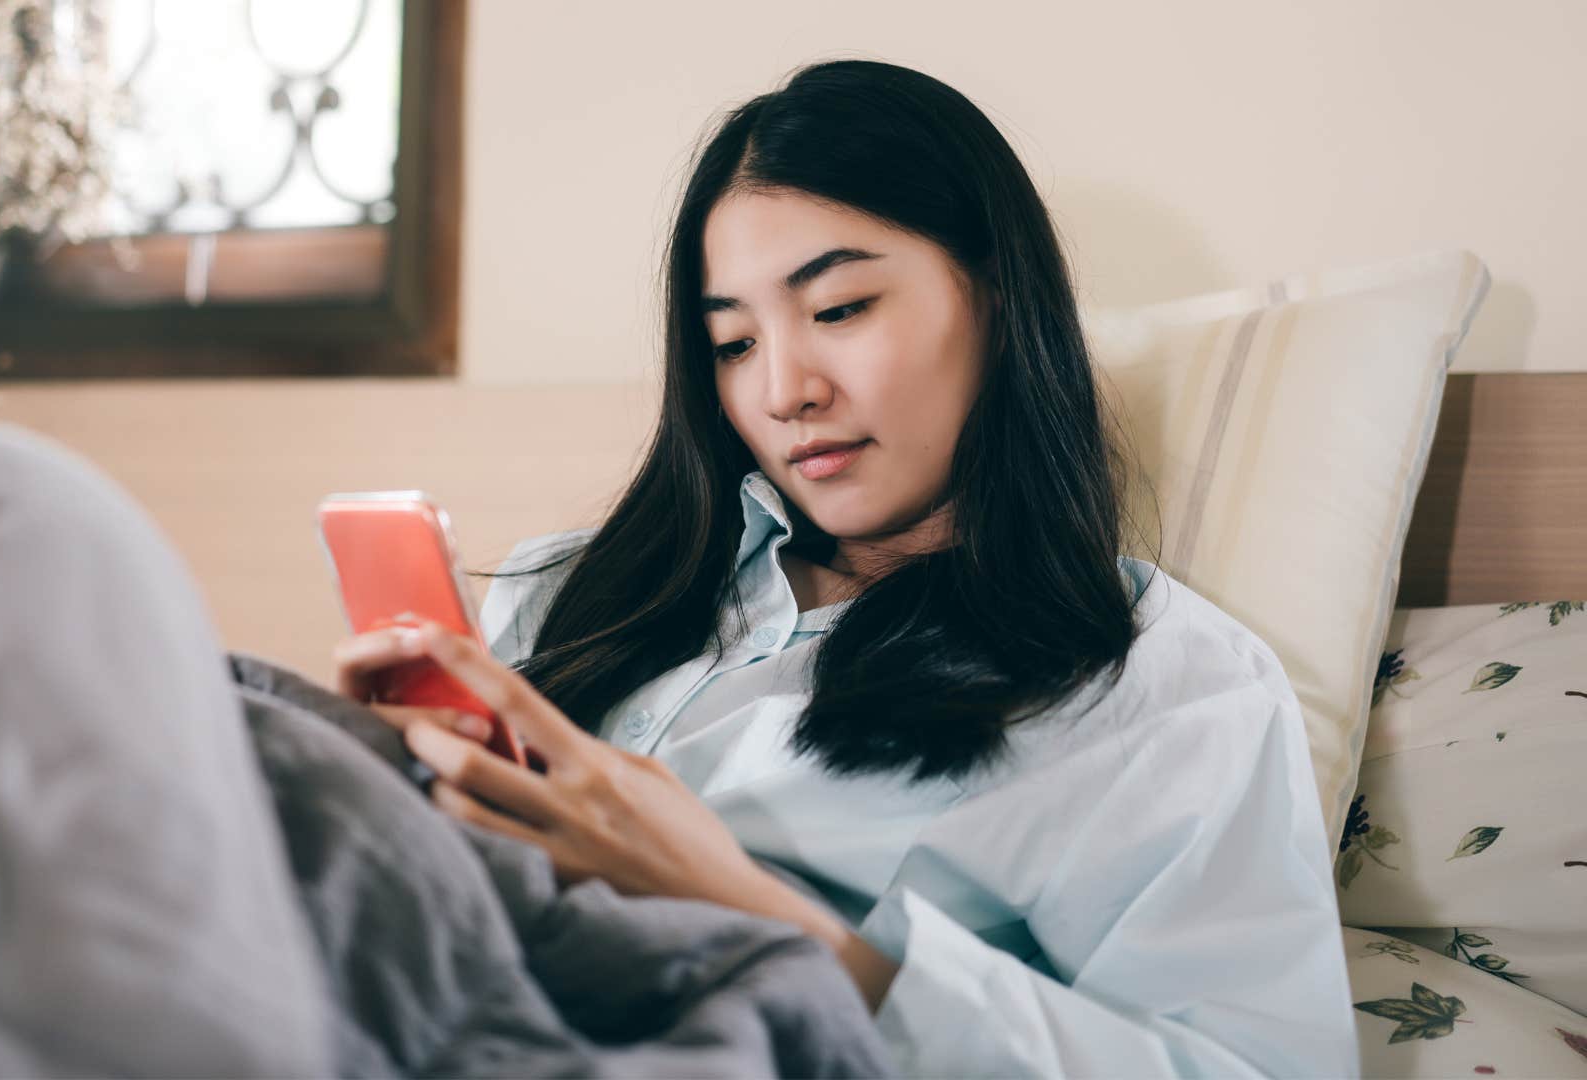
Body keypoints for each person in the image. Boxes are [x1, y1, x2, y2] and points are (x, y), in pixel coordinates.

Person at [334, 59, 1359, 1076]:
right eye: (732, 343)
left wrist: (744, 912)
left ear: (997, 299)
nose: (784, 391)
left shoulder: (1155, 686)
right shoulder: (568, 593)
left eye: (837, 311)